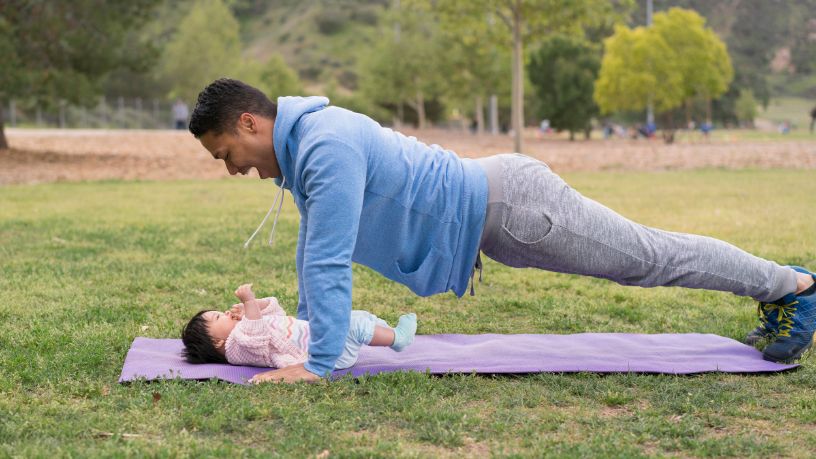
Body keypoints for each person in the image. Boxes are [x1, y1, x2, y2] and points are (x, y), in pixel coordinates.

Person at [188, 78, 816, 383]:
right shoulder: (306, 153)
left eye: (225, 153)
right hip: (498, 211)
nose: (232, 168)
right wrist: (306, 343)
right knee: (651, 257)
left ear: (249, 122)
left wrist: (317, 365)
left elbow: (326, 263)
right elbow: (313, 253)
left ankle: (792, 285)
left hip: (514, 205)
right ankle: (779, 290)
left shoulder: (324, 148)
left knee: (649, 257)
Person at [181, 283, 417, 374]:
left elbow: (278, 314)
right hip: (325, 354)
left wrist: (258, 305)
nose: (223, 313)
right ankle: (398, 338)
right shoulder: (236, 348)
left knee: (352, 317)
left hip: (320, 337)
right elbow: (257, 335)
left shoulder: (244, 328)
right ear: (216, 342)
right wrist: (249, 303)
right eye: (216, 317)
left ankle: (386, 331)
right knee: (352, 326)